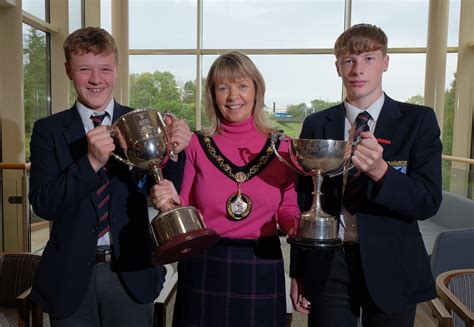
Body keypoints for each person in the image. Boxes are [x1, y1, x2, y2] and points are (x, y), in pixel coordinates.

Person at [28, 27, 191, 327]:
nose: (95, 79)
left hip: (132, 273)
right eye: (84, 69)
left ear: (116, 69)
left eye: (104, 68)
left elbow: (163, 190)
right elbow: (43, 204)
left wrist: (177, 153)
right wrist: (90, 162)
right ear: (68, 70)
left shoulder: (141, 121)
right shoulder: (47, 130)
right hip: (70, 278)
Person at [290, 23, 442, 327]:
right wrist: (299, 270)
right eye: (349, 60)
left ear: (385, 62)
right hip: (329, 264)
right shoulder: (317, 124)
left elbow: (427, 202)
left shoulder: (417, 121)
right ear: (338, 67)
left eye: (369, 59)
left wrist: (381, 172)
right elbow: (304, 201)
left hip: (392, 264)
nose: (358, 69)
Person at [150, 51, 300, 327]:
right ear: (212, 95)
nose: (233, 97)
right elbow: (184, 204)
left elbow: (288, 208)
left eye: (242, 86)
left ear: (257, 90)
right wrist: (168, 199)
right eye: (223, 88)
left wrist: (298, 228)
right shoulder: (195, 145)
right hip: (204, 263)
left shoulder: (283, 147)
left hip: (261, 264)